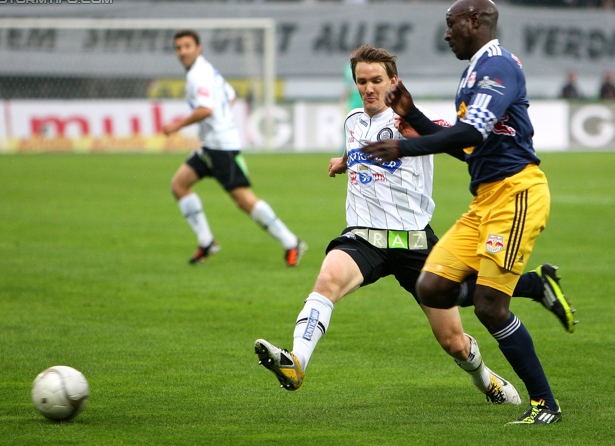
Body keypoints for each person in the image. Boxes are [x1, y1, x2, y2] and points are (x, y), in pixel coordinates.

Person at [255, 44, 575, 408]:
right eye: (362, 81)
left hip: (416, 242)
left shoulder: (415, 122)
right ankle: (296, 362)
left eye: (377, 80)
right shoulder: (353, 121)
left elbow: (463, 140)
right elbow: (356, 146)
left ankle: (487, 379)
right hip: (364, 238)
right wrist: (342, 162)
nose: (369, 88)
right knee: (326, 281)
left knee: (453, 341)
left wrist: (420, 134)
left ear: (394, 81)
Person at [362, 0, 575, 425]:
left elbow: (472, 131)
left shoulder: (497, 66)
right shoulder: (475, 71)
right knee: (431, 287)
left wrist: (402, 145)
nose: (445, 33)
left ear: (474, 21)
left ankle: (544, 405)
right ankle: (535, 287)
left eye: (451, 23)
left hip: (517, 195)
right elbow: (470, 148)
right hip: (486, 200)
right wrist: (414, 115)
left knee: (489, 307)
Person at [163, 30, 306, 266]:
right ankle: (206, 241)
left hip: (221, 147)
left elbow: (206, 109)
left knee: (244, 200)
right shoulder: (208, 70)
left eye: (187, 46)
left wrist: (177, 126)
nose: (182, 52)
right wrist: (222, 120)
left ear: (198, 48)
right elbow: (230, 96)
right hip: (211, 145)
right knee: (179, 185)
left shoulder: (198, 75)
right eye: (178, 47)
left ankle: (291, 242)